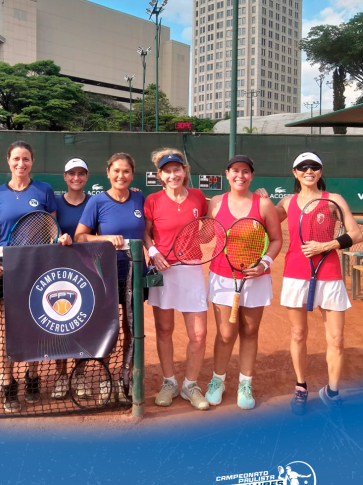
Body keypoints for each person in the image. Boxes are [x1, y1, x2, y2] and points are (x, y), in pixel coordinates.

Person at [0, 140, 71, 412]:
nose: (21, 164)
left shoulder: (44, 190)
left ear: (32, 162)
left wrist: (60, 239)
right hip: (6, 267)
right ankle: (9, 382)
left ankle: (32, 376)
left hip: (37, 267)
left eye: (26, 159)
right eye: (16, 159)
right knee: (7, 329)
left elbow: (52, 226)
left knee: (35, 325)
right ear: (8, 161)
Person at [273, 152, 362, 414]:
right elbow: (265, 222)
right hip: (295, 274)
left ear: (320, 171)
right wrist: (261, 200)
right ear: (295, 172)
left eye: (314, 166)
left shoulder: (334, 199)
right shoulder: (287, 202)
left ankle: (331, 392)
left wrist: (327, 245)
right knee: (298, 334)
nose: (308, 171)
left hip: (330, 274)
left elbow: (356, 233)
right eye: (303, 167)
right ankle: (301, 387)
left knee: (336, 338)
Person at [206, 155, 282, 410]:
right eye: (235, 170)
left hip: (255, 278)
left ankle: (245, 384)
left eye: (246, 171)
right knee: (226, 334)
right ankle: (217, 381)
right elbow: (204, 232)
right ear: (227, 174)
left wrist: (264, 264)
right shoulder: (215, 203)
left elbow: (276, 239)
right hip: (222, 276)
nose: (240, 175)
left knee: (249, 332)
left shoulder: (264, 205)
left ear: (252, 176)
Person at [75, 152, 146, 404]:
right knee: (107, 328)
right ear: (108, 172)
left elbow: (148, 231)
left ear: (132, 174)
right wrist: (105, 238)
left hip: (135, 274)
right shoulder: (97, 201)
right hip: (105, 274)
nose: (121, 175)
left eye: (126, 171)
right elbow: (80, 236)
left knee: (132, 329)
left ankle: (126, 377)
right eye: (116, 170)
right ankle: (105, 377)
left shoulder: (139, 197)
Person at [143, 149, 210, 411]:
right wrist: (154, 252)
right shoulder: (152, 200)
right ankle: (169, 383)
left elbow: (206, 230)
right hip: (163, 270)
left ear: (184, 171)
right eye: (167, 171)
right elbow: (146, 233)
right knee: (164, 330)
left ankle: (190, 385)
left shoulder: (198, 197)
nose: (173, 175)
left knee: (199, 334)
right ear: (160, 175)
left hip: (191, 269)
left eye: (177, 170)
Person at [52, 158, 92, 400]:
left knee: (83, 324)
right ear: (65, 177)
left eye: (81, 173)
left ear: (87, 177)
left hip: (87, 272)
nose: (76, 177)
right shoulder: (55, 203)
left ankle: (79, 374)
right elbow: (48, 230)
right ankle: (61, 375)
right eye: (72, 173)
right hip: (59, 272)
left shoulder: (95, 202)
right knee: (59, 324)